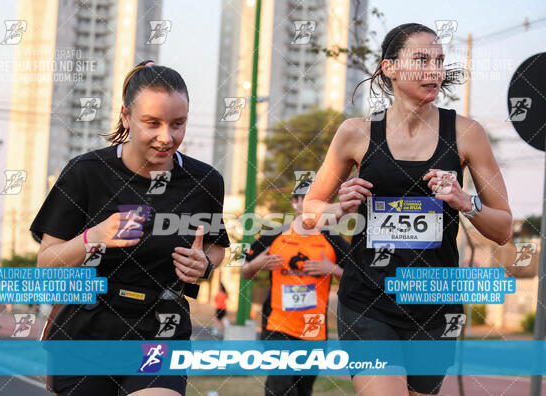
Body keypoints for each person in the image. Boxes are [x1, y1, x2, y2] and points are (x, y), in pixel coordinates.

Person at [304, 23, 512, 396]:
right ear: (390, 67)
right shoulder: (356, 133)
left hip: (434, 305)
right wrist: (339, 207)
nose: (434, 70)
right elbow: (310, 211)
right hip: (368, 301)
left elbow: (503, 227)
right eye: (420, 59)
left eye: (439, 61)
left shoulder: (467, 134)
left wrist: (465, 202)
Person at [29, 61, 230, 396]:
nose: (167, 137)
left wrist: (205, 263)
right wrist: (95, 237)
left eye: (177, 124)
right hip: (86, 333)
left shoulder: (205, 181)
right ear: (126, 116)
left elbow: (216, 246)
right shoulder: (85, 173)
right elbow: (46, 265)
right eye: (153, 123)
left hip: (161, 331)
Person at [242, 183, 350, 396]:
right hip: (277, 325)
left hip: (314, 327)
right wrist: (257, 264)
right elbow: (246, 271)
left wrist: (333, 269)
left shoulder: (331, 239)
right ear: (296, 203)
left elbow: (359, 278)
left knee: (302, 390)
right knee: (281, 387)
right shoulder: (274, 235)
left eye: (320, 202)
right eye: (308, 200)